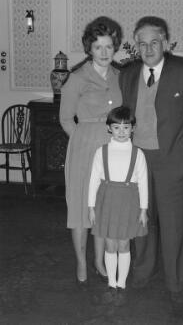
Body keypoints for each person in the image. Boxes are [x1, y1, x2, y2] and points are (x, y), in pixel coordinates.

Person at [119, 16, 183, 299]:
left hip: (172, 162)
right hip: (137, 160)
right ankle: (142, 272)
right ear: (136, 46)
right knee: (142, 222)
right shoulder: (128, 73)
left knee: (174, 224)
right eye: (142, 44)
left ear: (165, 43)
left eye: (154, 43)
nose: (148, 49)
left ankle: (174, 281)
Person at [59, 16, 123, 284]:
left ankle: (99, 260)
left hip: (113, 149)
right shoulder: (76, 78)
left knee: (103, 208)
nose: (105, 53)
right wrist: (83, 139)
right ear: (89, 48)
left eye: (109, 46)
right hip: (84, 149)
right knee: (80, 209)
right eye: (98, 47)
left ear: (115, 47)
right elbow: (65, 118)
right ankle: (81, 263)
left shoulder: (121, 76)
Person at [88, 106, 148, 304]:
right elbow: (93, 180)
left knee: (123, 243)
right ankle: (111, 281)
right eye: (117, 127)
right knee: (109, 242)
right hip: (106, 201)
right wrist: (90, 207)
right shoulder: (101, 152)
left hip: (128, 202)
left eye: (126, 127)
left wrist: (143, 209)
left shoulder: (138, 154)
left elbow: (143, 182)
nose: (121, 132)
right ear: (109, 129)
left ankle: (121, 281)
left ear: (133, 128)